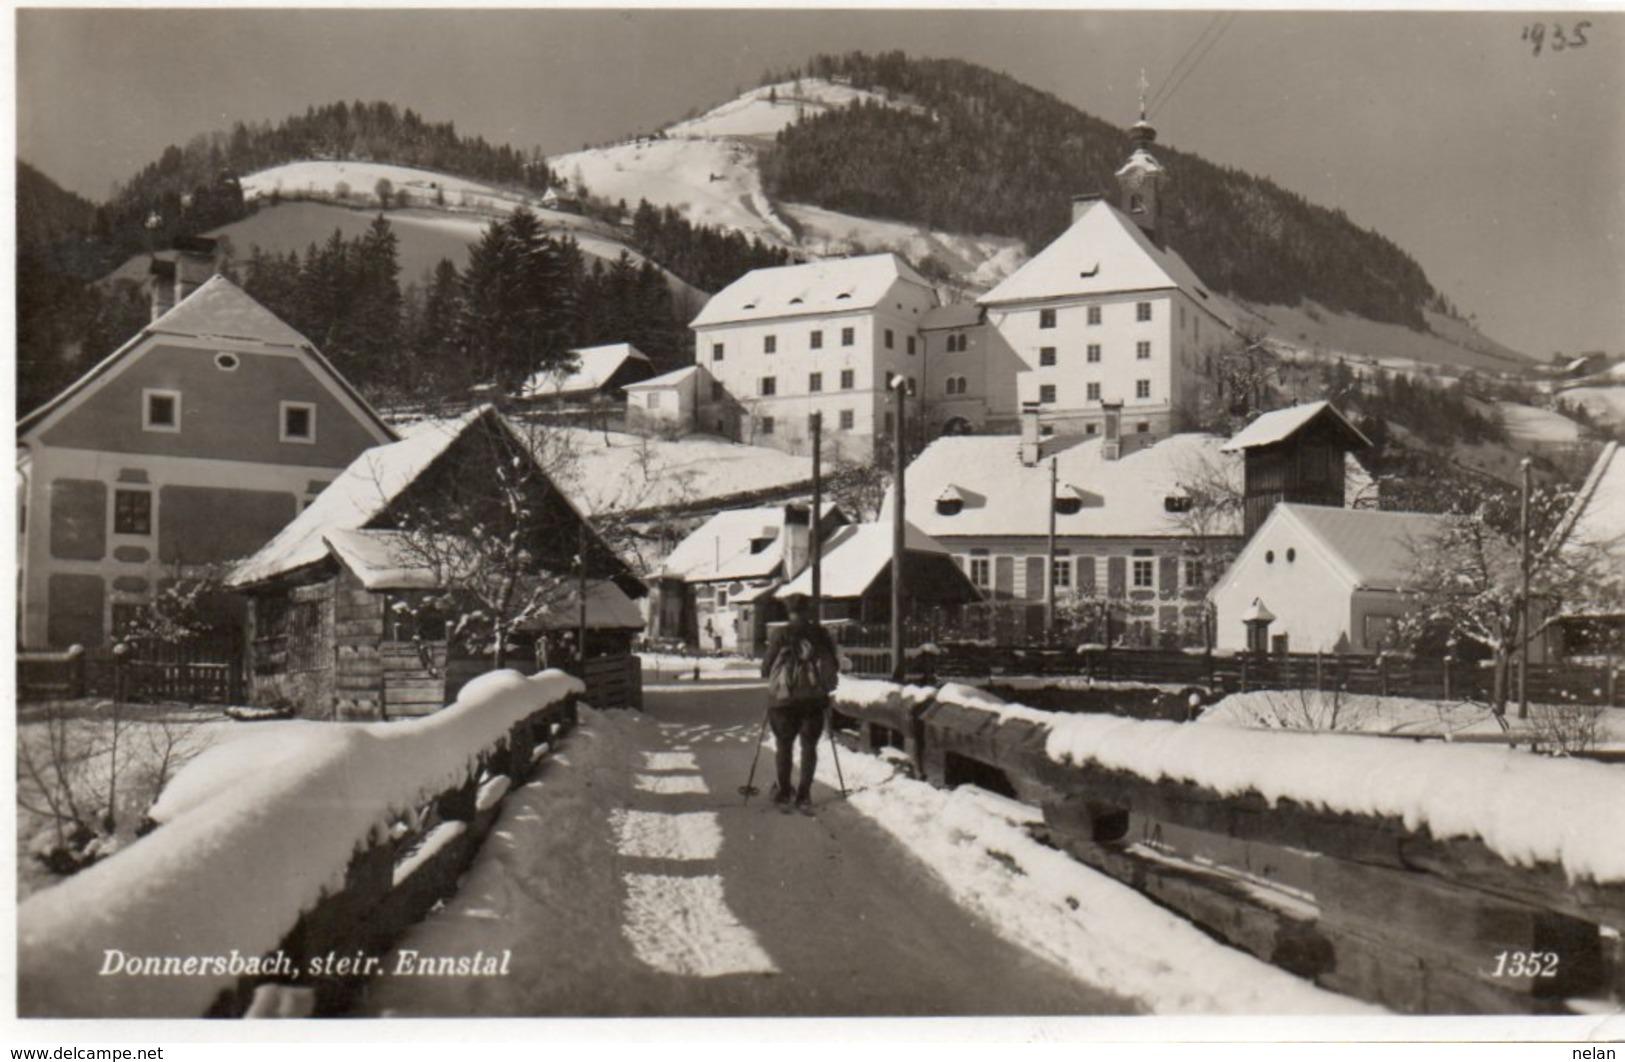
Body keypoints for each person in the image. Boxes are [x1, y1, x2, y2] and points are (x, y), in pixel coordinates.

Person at [760, 594, 840, 813]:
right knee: (809, 747)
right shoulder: (821, 634)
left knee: (784, 746)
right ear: (808, 610)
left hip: (783, 701)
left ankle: (784, 792)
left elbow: (766, 669)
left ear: (789, 611)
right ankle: (804, 795)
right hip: (813, 701)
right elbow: (835, 665)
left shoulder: (780, 634)